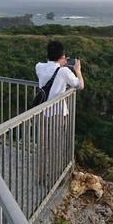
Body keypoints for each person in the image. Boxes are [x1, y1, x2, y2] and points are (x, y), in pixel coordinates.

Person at [34, 40, 84, 184]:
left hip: (42, 113)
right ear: (62, 56)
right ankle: (56, 179)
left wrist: (58, 63)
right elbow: (80, 85)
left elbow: (48, 69)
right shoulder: (64, 71)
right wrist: (78, 70)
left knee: (43, 146)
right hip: (57, 114)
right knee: (56, 146)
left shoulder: (39, 67)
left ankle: (42, 177)